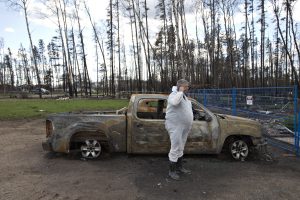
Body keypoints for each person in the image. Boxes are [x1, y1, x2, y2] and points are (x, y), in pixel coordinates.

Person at [165, 79, 193, 180]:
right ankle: (172, 171)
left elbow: (187, 109)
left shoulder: (184, 96)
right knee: (175, 147)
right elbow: (175, 102)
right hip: (175, 126)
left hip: (184, 127)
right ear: (181, 86)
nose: (187, 89)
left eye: (187, 87)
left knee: (181, 147)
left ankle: (179, 168)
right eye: (186, 87)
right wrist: (180, 91)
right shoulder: (174, 95)